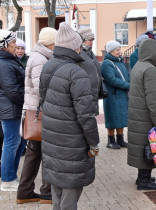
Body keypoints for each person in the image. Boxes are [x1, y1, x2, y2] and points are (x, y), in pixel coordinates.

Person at [39, 22, 100, 209]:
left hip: (52, 138)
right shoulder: (76, 72)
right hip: (73, 141)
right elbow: (86, 115)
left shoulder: (48, 65)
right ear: (75, 46)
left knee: (58, 187)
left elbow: (42, 101)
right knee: (71, 192)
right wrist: (94, 142)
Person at [16, 27, 57, 204]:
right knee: (46, 153)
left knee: (34, 154)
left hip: (36, 111)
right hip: (40, 113)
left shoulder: (39, 56)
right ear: (51, 43)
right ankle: (46, 193)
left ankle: (24, 192)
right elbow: (42, 88)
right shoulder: (40, 59)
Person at [127, 38, 156, 190]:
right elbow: (154, 99)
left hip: (139, 115)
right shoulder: (150, 70)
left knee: (143, 147)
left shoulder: (139, 65)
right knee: (149, 146)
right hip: (147, 117)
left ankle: (143, 177)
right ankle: (144, 181)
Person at [0, 30, 26, 191]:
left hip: (13, 107)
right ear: (3, 45)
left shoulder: (9, 60)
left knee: (20, 142)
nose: (16, 45)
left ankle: (11, 176)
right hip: (10, 109)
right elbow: (12, 90)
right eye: (12, 43)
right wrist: (27, 98)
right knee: (11, 143)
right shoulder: (4, 63)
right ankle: (8, 179)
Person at [101, 40, 130, 149]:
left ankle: (120, 139)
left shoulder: (120, 61)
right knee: (112, 118)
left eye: (119, 49)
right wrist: (128, 85)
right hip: (112, 95)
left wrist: (130, 82)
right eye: (117, 50)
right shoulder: (107, 63)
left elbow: (127, 74)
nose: (119, 52)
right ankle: (110, 140)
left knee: (121, 117)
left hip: (121, 94)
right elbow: (112, 80)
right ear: (111, 51)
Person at [77, 27, 103, 115]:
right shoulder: (78, 54)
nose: (92, 42)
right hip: (85, 94)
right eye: (89, 40)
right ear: (82, 40)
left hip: (94, 93)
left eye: (93, 40)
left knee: (92, 119)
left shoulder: (90, 54)